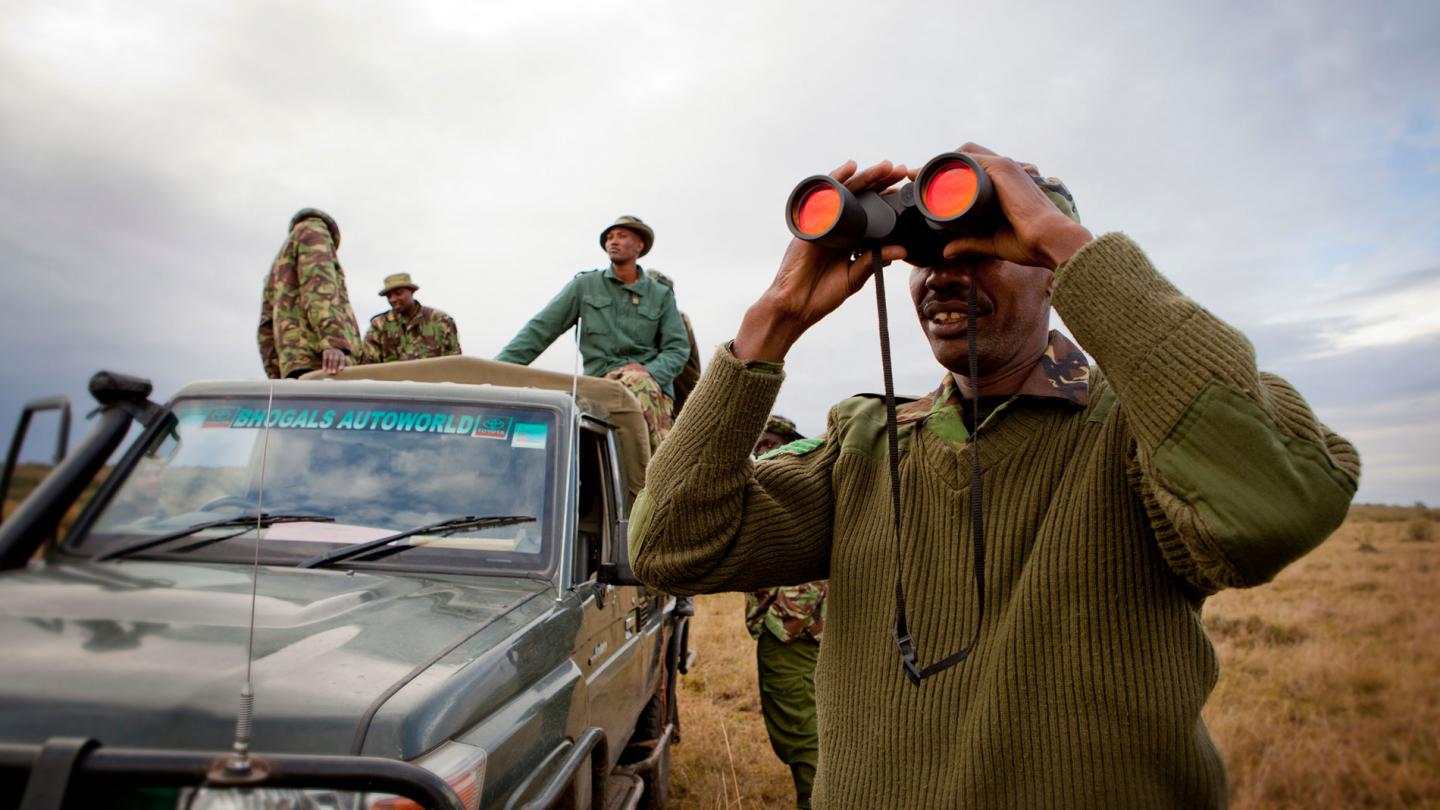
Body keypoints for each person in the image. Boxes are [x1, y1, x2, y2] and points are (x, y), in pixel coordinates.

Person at [629, 145, 1361, 808]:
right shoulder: (868, 444)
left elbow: (1271, 506)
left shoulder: (1140, 431)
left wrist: (1077, 250)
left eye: (982, 249)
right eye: (926, 255)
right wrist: (772, 324)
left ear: (1055, 279)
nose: (945, 273)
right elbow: (669, 546)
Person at [496, 216, 690, 451]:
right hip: (601, 382)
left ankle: (659, 476)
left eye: (622, 236)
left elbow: (677, 348)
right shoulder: (585, 286)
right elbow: (539, 330)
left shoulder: (660, 295)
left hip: (649, 388)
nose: (613, 242)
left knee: (640, 387)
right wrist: (493, 375)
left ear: (639, 246)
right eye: (609, 237)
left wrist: (649, 371)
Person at [749, 415, 826, 810]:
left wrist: (781, 622)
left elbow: (814, 558)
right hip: (804, 632)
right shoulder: (782, 482)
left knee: (802, 733)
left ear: (789, 442)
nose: (762, 452)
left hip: (794, 633)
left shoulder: (798, 483)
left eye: (769, 443)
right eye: (757, 446)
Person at [258, 208, 361, 378]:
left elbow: (266, 325)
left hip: (293, 363)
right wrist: (333, 342)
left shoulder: (279, 266)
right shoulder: (315, 231)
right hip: (322, 361)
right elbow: (319, 285)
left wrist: (276, 375)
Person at [360, 273, 462, 363]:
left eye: (398, 293)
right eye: (389, 296)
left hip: (433, 383)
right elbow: (368, 364)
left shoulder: (441, 321)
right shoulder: (379, 325)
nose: (393, 299)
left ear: (412, 291)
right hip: (393, 384)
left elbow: (454, 361)